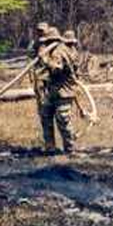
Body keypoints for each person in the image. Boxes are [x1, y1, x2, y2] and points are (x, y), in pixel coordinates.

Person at [33, 24, 79, 153]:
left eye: (46, 42)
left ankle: (70, 149)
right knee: (46, 117)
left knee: (63, 121)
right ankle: (50, 147)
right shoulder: (52, 51)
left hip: (63, 92)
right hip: (52, 91)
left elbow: (57, 69)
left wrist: (45, 60)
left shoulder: (60, 51)